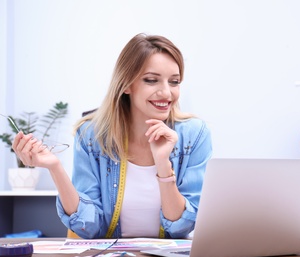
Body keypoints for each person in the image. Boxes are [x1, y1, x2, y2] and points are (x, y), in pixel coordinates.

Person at [12, 33, 213, 239]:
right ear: (126, 84)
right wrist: (55, 168)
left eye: (174, 82)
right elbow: (88, 226)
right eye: (152, 80)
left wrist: (163, 164)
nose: (167, 93)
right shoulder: (92, 135)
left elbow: (182, 226)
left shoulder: (194, 135)